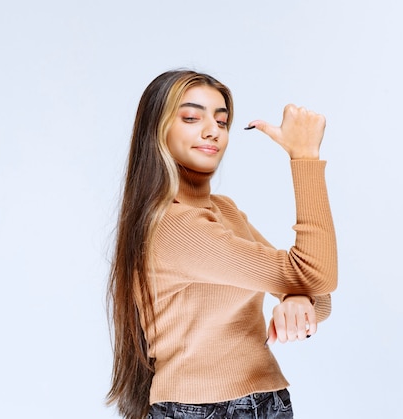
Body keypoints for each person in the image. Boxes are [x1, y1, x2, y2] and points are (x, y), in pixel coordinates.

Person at [106, 69, 337, 419]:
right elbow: (314, 272)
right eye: (191, 117)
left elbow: (320, 296)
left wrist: (297, 298)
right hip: (200, 411)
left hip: (268, 401)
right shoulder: (174, 226)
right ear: (157, 130)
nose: (212, 130)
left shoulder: (224, 210)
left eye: (222, 120)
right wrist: (304, 156)